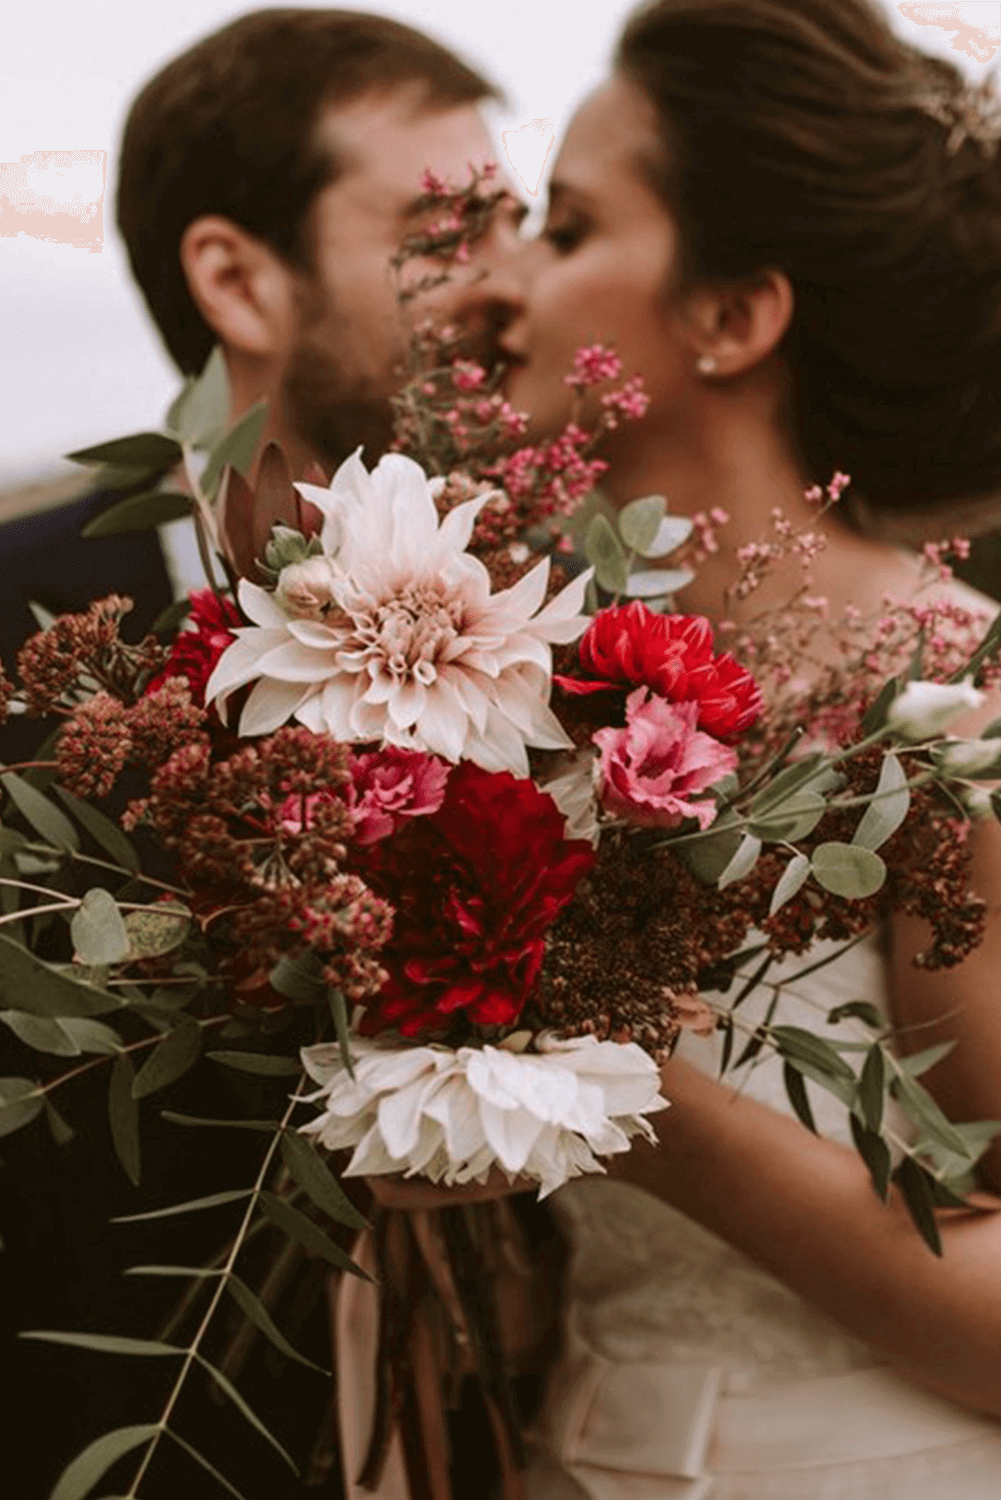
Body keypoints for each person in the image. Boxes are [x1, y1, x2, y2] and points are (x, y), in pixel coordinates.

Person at [352, 2, 1001, 1497]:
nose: (500, 278)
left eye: (568, 226)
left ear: (729, 315)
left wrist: (592, 1074)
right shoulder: (510, 679)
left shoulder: (952, 708)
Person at [116, 7, 525, 479]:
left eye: (522, 229)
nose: (521, 286)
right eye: (449, 236)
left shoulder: (578, 554)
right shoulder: (36, 556)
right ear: (236, 286)